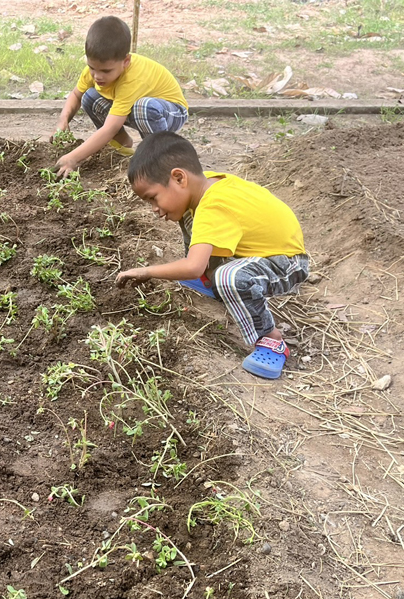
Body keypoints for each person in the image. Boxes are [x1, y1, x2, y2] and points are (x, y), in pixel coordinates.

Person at [115, 132, 309, 379]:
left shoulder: (214, 205)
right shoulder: (204, 184)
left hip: (288, 263)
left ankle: (272, 340)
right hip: (257, 255)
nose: (154, 209)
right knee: (186, 215)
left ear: (178, 177)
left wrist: (147, 271)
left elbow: (192, 267)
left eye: (153, 198)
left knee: (230, 278)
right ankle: (213, 280)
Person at [53, 16, 188, 178]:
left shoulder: (132, 78)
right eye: (92, 68)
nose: (97, 76)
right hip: (137, 109)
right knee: (89, 96)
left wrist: (72, 158)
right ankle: (121, 144)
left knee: (143, 107)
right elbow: (76, 95)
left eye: (106, 71)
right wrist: (63, 120)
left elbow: (111, 127)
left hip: (171, 111)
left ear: (126, 61)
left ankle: (158, 156)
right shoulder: (96, 71)